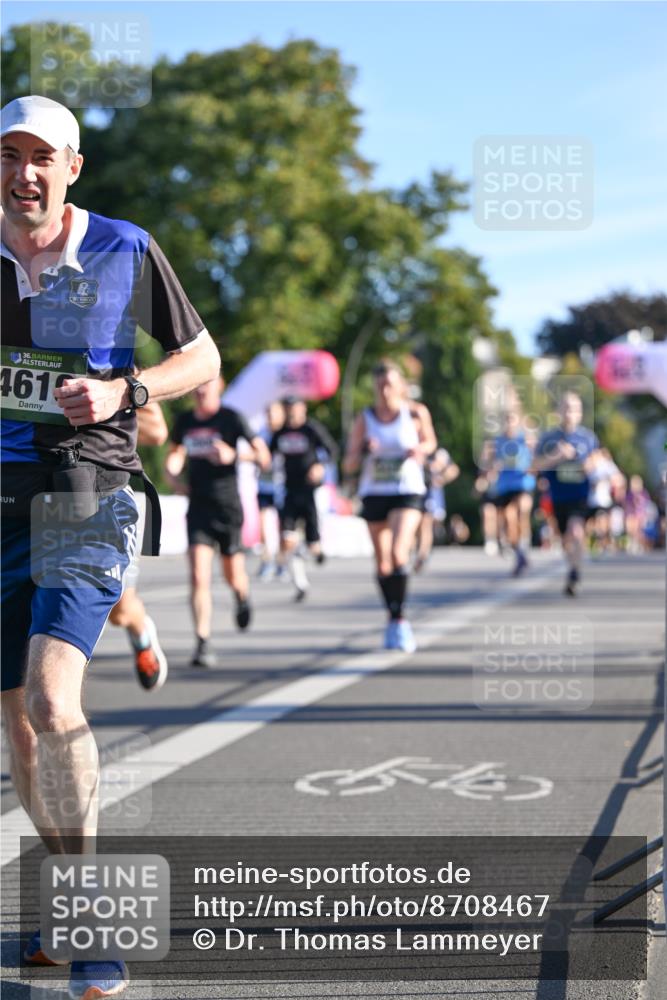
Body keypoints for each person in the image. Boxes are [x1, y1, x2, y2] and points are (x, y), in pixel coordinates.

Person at [1, 95, 220, 999]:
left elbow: (201, 358)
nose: (24, 173)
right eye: (9, 155)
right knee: (19, 724)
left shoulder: (122, 248)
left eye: (41, 157)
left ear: (72, 167)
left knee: (53, 699)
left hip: (87, 491)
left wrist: (126, 390)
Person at [165, 376, 270, 667]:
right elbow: (176, 453)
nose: (200, 391)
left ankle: (242, 596)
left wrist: (233, 454)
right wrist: (172, 474)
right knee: (199, 576)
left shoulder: (231, 418)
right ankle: (202, 642)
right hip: (198, 507)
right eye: (197, 386)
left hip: (228, 508)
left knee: (232, 575)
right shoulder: (185, 421)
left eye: (206, 385)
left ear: (219, 387)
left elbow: (264, 457)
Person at [343, 359, 437, 651]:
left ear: (401, 386)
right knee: (383, 562)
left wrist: (419, 449)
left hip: (407, 490)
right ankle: (393, 617)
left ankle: (401, 622)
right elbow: (348, 464)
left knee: (398, 552)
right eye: (380, 386)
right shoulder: (365, 418)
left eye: (390, 385)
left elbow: (431, 443)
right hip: (375, 491)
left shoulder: (415, 412)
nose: (385, 392)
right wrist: (363, 450)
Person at [107, 402, 169, 691]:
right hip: (25, 492)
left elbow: (156, 431)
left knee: (119, 610)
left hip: (105, 494)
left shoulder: (113, 371)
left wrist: (103, 406)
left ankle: (141, 632)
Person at [270, 395, 338, 601]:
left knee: (312, 544)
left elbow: (332, 450)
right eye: (288, 408)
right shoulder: (280, 433)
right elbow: (268, 455)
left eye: (295, 407)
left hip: (310, 493)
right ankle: (300, 584)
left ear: (303, 409)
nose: (291, 412)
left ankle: (315, 550)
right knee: (287, 538)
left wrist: (320, 467)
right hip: (289, 491)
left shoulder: (311, 429)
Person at [535, 392, 601, 596]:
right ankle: (573, 566)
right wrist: (556, 456)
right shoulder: (548, 438)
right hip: (558, 497)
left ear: (580, 413)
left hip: (580, 496)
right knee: (565, 539)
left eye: (574, 409)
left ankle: (574, 573)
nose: (569, 413)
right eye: (566, 408)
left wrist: (583, 462)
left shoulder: (587, 438)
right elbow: (534, 465)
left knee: (576, 532)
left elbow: (596, 461)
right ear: (558, 411)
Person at [483, 409, 536, 576]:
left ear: (518, 422)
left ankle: (524, 544)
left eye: (512, 420)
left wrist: (533, 467)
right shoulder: (497, 442)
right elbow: (488, 463)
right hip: (505, 486)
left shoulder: (525, 439)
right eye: (507, 420)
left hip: (523, 483)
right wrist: (492, 467)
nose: (509, 424)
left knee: (522, 510)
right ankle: (519, 552)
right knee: (508, 518)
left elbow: (537, 456)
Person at [414, 445, 460, 572]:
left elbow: (454, 470)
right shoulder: (410, 446)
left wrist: (441, 478)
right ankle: (418, 551)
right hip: (411, 491)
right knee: (415, 524)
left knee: (426, 522)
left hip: (429, 492)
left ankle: (422, 555)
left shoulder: (438, 453)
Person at [256, 400, 285, 581]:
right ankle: (267, 560)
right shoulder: (261, 434)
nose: (271, 417)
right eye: (268, 413)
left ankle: (282, 561)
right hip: (264, 485)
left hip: (283, 486)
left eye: (274, 413)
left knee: (284, 526)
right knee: (264, 524)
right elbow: (253, 454)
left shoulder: (287, 434)